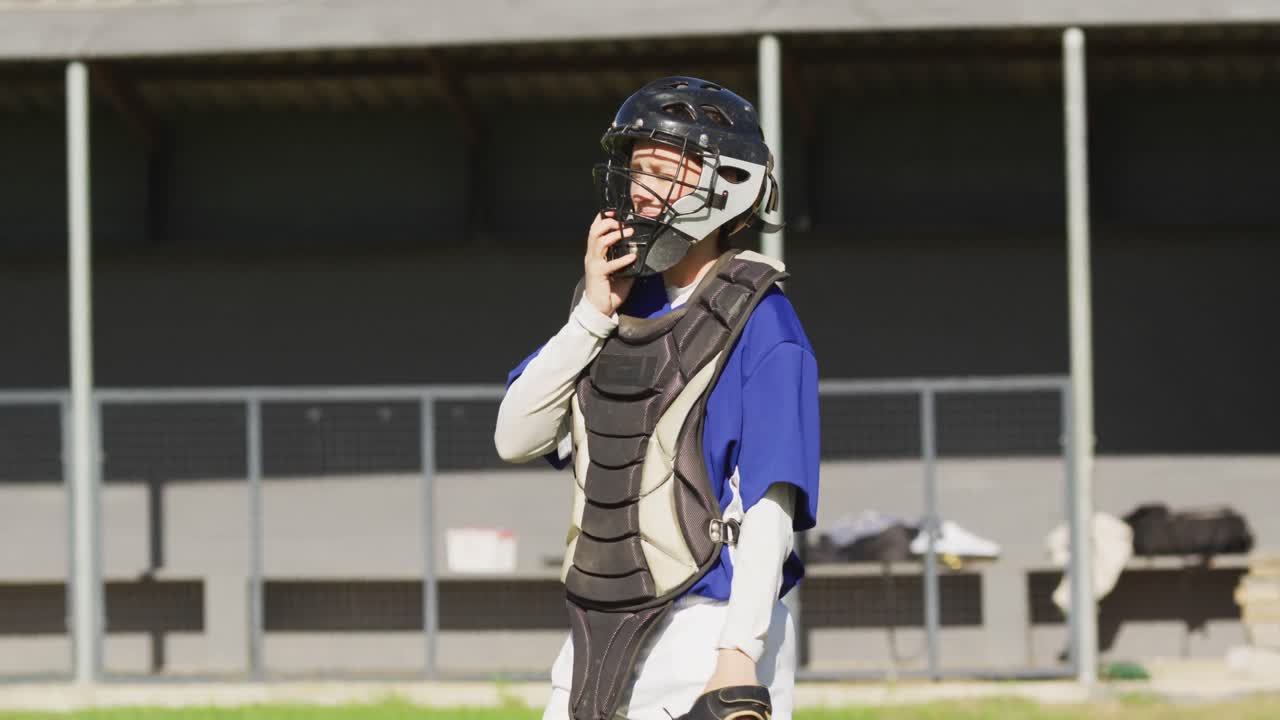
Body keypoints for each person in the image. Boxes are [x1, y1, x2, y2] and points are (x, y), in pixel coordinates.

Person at [495, 76, 819, 720]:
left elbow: (770, 504)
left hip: (711, 627)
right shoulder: (613, 310)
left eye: (662, 171)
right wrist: (591, 312)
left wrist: (739, 653)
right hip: (597, 624)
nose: (639, 187)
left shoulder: (765, 324)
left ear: (728, 185)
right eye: (635, 169)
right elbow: (515, 436)